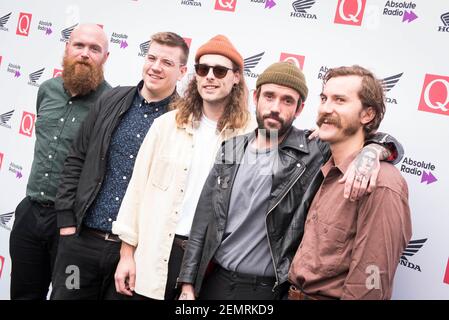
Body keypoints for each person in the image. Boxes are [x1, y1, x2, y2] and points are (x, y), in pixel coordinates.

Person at [177, 62, 403, 300]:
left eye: (287, 100)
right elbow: (204, 218)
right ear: (256, 97)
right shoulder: (233, 148)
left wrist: (375, 151)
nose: (275, 107)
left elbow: (362, 135)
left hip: (267, 289)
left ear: (299, 108)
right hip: (216, 281)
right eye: (269, 96)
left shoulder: (313, 149)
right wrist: (187, 283)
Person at [112, 35, 256, 300]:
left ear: (236, 77)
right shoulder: (166, 125)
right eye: (203, 69)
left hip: (206, 265)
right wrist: (126, 256)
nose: (210, 76)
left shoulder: (251, 135)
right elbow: (137, 191)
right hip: (153, 256)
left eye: (220, 70)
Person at [50, 32, 189, 300]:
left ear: (182, 71)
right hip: (81, 244)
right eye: (151, 58)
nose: (156, 67)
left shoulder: (184, 121)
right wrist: (67, 225)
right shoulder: (111, 99)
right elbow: (77, 157)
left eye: (167, 62)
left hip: (133, 256)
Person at [287, 65, 412, 300]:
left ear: (367, 115)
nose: (326, 108)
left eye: (340, 100)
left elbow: (371, 282)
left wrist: (376, 150)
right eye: (324, 98)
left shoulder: (381, 183)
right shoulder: (323, 163)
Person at [9, 23, 110, 300]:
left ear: (105, 58)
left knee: (69, 295)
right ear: (67, 48)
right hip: (29, 216)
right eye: (78, 45)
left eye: (94, 48)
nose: (85, 54)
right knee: (23, 294)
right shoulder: (46, 89)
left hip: (72, 227)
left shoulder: (109, 105)